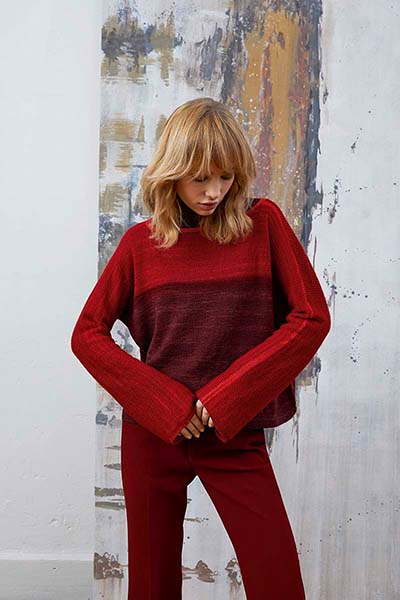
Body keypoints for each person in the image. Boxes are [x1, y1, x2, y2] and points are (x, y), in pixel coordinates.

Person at [70, 97, 331, 599]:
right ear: (173, 173)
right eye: (200, 178)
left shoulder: (263, 225)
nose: (214, 192)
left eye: (226, 177)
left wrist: (227, 396)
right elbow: (87, 335)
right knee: (152, 586)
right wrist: (166, 403)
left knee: (276, 579)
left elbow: (311, 318)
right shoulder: (140, 245)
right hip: (153, 436)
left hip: (233, 433)